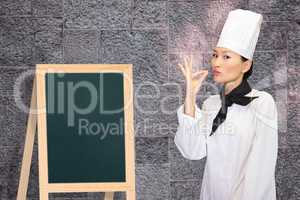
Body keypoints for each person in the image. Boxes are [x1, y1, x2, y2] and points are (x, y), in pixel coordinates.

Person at [174, 9, 278, 200]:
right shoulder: (211, 104)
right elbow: (192, 150)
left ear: (245, 65)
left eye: (226, 57)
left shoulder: (262, 103)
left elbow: (261, 170)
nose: (216, 63)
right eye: (215, 55)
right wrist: (189, 96)